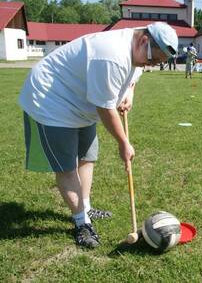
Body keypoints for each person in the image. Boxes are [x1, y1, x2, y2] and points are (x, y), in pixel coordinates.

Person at [19, 22, 178, 249]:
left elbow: (136, 71)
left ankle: (85, 205)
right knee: (67, 166)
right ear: (144, 41)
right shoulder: (110, 55)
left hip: (81, 101)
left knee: (87, 156)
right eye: (152, 60)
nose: (151, 65)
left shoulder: (139, 49)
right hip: (51, 100)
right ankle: (81, 222)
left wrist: (129, 92)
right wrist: (124, 143)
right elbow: (105, 109)